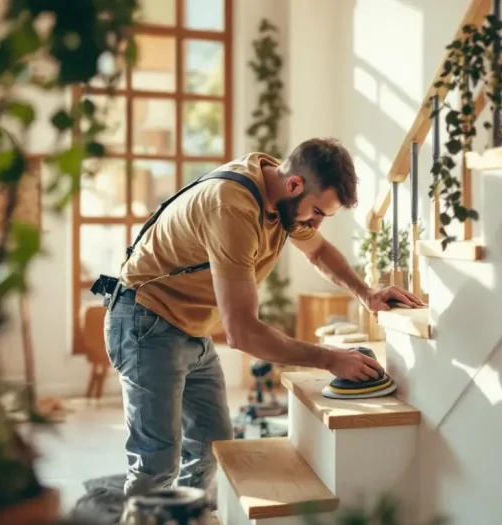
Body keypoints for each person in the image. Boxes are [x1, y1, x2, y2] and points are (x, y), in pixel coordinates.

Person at [102, 137, 424, 497]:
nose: (315, 224)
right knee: (157, 462)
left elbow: (317, 251)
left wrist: (367, 294)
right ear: (295, 185)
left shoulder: (281, 191)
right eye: (317, 212)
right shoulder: (233, 207)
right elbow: (242, 332)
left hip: (190, 327)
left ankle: (187, 518)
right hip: (146, 322)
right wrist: (329, 358)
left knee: (212, 444)